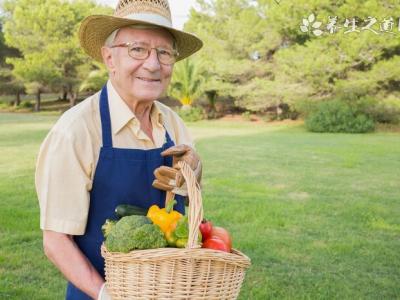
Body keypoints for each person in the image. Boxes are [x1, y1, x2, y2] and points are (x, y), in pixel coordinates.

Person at [35, 0, 203, 299]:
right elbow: (56, 240)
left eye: (164, 52)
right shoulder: (76, 131)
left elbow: (183, 209)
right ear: (109, 57)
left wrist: (194, 178)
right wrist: (108, 294)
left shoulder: (174, 124)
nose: (153, 64)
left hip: (168, 291)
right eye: (137, 49)